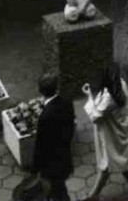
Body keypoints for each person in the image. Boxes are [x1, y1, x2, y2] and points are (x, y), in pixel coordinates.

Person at [81, 62, 128, 201]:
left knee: (125, 166)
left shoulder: (108, 97)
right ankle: (93, 195)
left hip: (113, 136)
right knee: (106, 165)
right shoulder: (119, 85)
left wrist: (89, 96)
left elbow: (95, 115)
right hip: (114, 131)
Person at [31, 73, 75, 201]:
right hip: (64, 157)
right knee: (59, 190)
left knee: (57, 192)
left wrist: (35, 169)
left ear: (40, 91)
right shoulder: (67, 103)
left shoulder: (45, 117)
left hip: (51, 165)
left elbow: (41, 145)